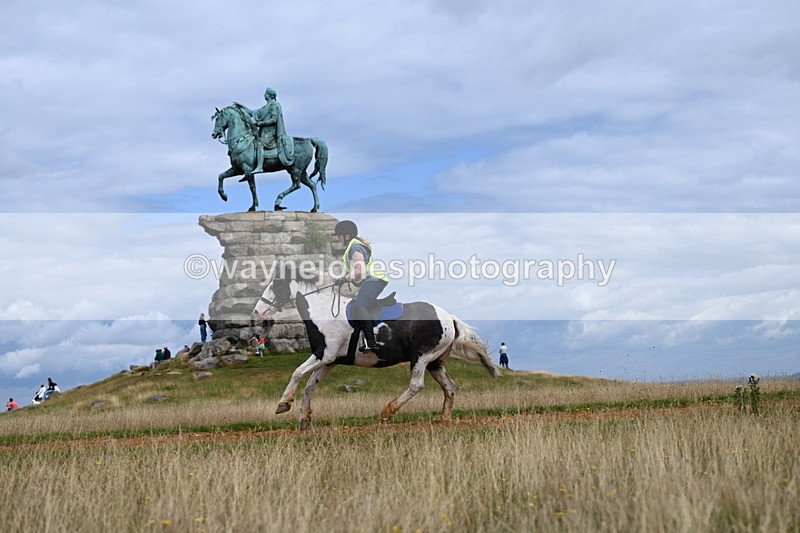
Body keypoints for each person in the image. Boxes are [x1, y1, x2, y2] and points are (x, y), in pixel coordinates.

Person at [333, 220, 389, 353]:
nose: (338, 238)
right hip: (369, 281)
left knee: (359, 305)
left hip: (374, 280)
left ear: (347, 235)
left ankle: (371, 342)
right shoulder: (352, 247)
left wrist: (345, 278)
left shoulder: (355, 248)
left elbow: (359, 271)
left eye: (340, 235)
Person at [234, 87, 294, 172]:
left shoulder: (274, 105)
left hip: (271, 132)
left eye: (265, 93)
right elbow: (252, 113)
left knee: (259, 144)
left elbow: (274, 119)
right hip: (263, 132)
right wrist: (242, 107)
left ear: (269, 95)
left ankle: (259, 167)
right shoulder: (265, 107)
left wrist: (259, 124)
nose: (264, 95)